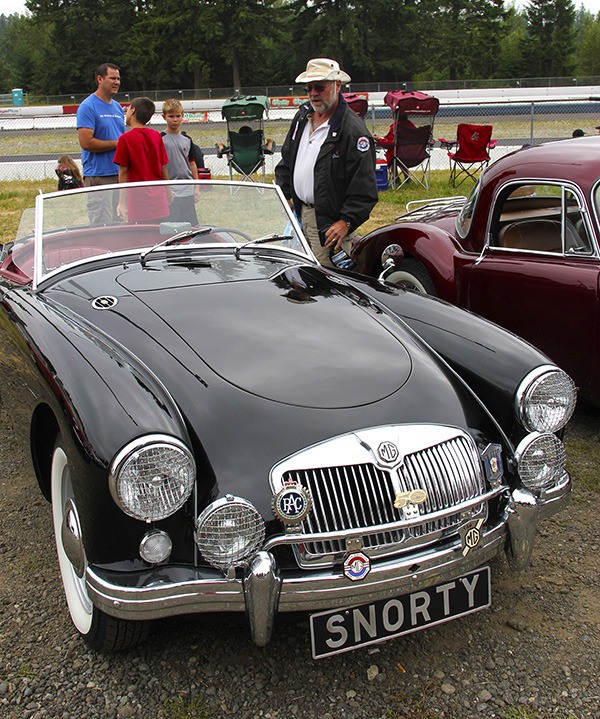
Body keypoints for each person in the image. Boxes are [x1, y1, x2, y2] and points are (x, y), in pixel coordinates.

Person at [275, 57, 378, 267]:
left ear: (337, 85)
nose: (313, 93)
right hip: (299, 215)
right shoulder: (302, 117)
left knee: (327, 286)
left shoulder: (353, 131)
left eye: (320, 87)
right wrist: (283, 195)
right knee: (298, 277)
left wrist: (346, 222)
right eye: (309, 88)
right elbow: (287, 160)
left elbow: (364, 189)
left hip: (328, 225)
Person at [76, 63, 125, 223]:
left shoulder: (117, 107)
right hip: (99, 176)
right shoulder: (88, 107)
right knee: (102, 227)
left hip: (119, 175)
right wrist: (118, 144)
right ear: (100, 79)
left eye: (118, 78)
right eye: (112, 78)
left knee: (119, 226)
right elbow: (86, 143)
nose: (116, 82)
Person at [113, 96, 170, 222]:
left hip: (138, 201)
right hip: (159, 200)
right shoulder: (156, 136)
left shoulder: (125, 139)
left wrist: (121, 202)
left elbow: (123, 172)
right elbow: (163, 167)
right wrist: (169, 193)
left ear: (132, 111)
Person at [161, 97, 199, 225]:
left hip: (187, 189)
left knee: (191, 226)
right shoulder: (160, 139)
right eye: (171, 116)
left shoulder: (187, 139)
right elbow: (161, 167)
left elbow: (192, 164)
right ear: (164, 117)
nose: (175, 119)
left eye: (178, 116)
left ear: (183, 116)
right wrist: (167, 190)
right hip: (171, 191)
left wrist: (196, 188)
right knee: (172, 227)